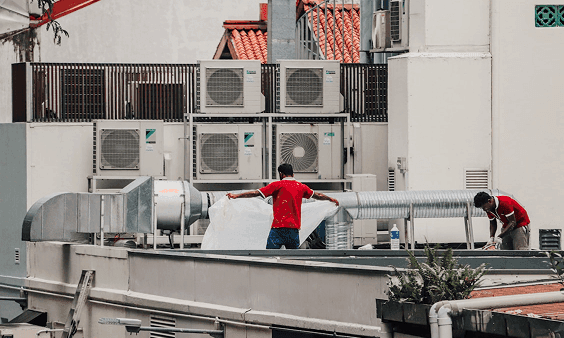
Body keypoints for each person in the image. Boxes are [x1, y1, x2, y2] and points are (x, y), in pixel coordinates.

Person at [227, 163, 339, 249]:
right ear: (293, 174)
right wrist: (331, 199)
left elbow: (256, 193)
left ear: (281, 174)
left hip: (278, 229)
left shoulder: (277, 185)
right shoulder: (301, 187)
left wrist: (236, 196)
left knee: (269, 257)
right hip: (294, 230)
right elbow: (317, 195)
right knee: (293, 260)